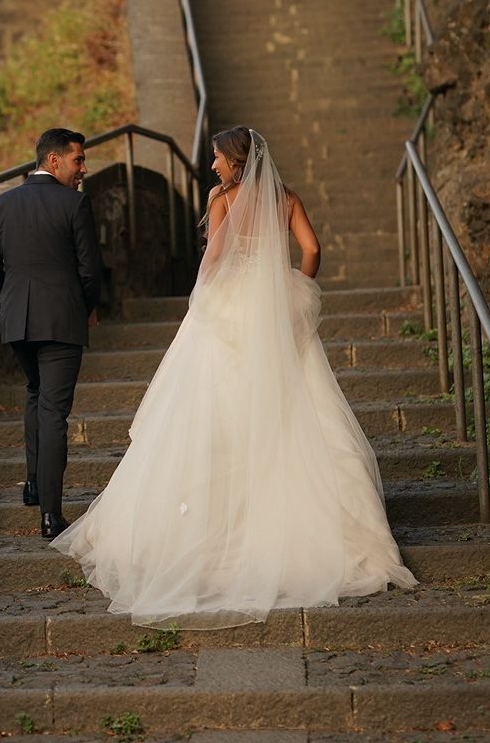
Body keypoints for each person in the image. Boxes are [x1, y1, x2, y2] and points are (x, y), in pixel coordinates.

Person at [52, 127, 415, 626]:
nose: (213, 165)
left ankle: (210, 536)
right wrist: (292, 289)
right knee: (298, 411)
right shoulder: (286, 199)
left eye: (217, 157)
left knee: (214, 413)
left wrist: (200, 298)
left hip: (229, 309)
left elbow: (216, 255)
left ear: (236, 161)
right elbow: (312, 250)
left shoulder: (222, 197)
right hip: (273, 311)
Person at [0, 128, 105, 540]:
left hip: (17, 321)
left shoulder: (1, 204)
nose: (83, 169)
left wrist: (13, 293)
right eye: (78, 160)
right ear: (54, 160)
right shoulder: (75, 203)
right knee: (53, 412)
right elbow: (90, 270)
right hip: (62, 320)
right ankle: (51, 515)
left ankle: (33, 483)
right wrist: (85, 307)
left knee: (34, 393)